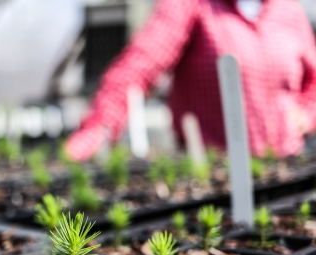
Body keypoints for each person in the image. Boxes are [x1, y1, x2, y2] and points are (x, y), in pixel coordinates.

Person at [64, 0, 316, 161]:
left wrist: (306, 115)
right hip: (214, 168)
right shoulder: (192, 4)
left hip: (286, 163)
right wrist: (97, 129)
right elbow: (140, 64)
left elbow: (313, 81)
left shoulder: (288, 9)